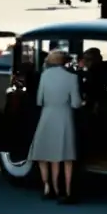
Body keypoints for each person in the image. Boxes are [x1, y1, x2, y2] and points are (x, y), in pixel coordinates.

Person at [28, 50, 82, 203]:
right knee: (66, 157)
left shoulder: (45, 76)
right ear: (66, 62)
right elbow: (75, 103)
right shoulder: (72, 77)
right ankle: (67, 191)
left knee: (44, 154)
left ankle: (47, 187)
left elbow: (39, 100)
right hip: (65, 117)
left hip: (47, 116)